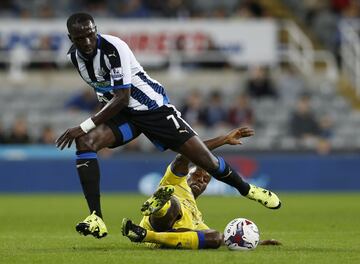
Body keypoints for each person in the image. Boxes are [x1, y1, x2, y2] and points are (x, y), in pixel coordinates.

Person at [56, 13, 281, 239]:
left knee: (206, 161)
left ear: (96, 29)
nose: (86, 42)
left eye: (90, 35)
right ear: (70, 38)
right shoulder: (76, 57)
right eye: (79, 38)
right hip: (124, 115)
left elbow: (122, 96)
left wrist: (84, 125)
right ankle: (96, 218)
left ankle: (248, 190)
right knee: (85, 142)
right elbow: (106, 92)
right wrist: (89, 129)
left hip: (152, 109)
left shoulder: (114, 48)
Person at [121, 127, 281, 249]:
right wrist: (224, 139)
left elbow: (228, 240)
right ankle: (159, 207)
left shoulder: (197, 217)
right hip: (158, 221)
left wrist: (258, 242)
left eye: (206, 180)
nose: (201, 180)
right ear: (188, 174)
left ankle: (146, 236)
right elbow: (184, 156)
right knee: (172, 202)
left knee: (216, 238)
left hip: (172, 236)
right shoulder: (176, 182)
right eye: (196, 174)